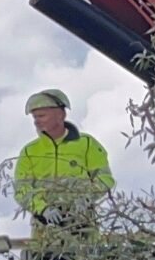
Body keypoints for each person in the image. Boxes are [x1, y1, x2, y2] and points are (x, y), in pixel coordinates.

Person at [12, 89, 112, 225]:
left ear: (60, 115)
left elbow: (105, 179)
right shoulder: (29, 152)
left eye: (41, 116)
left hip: (83, 225)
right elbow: (22, 189)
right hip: (45, 231)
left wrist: (86, 198)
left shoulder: (87, 144)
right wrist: (43, 209)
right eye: (34, 117)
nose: (36, 122)